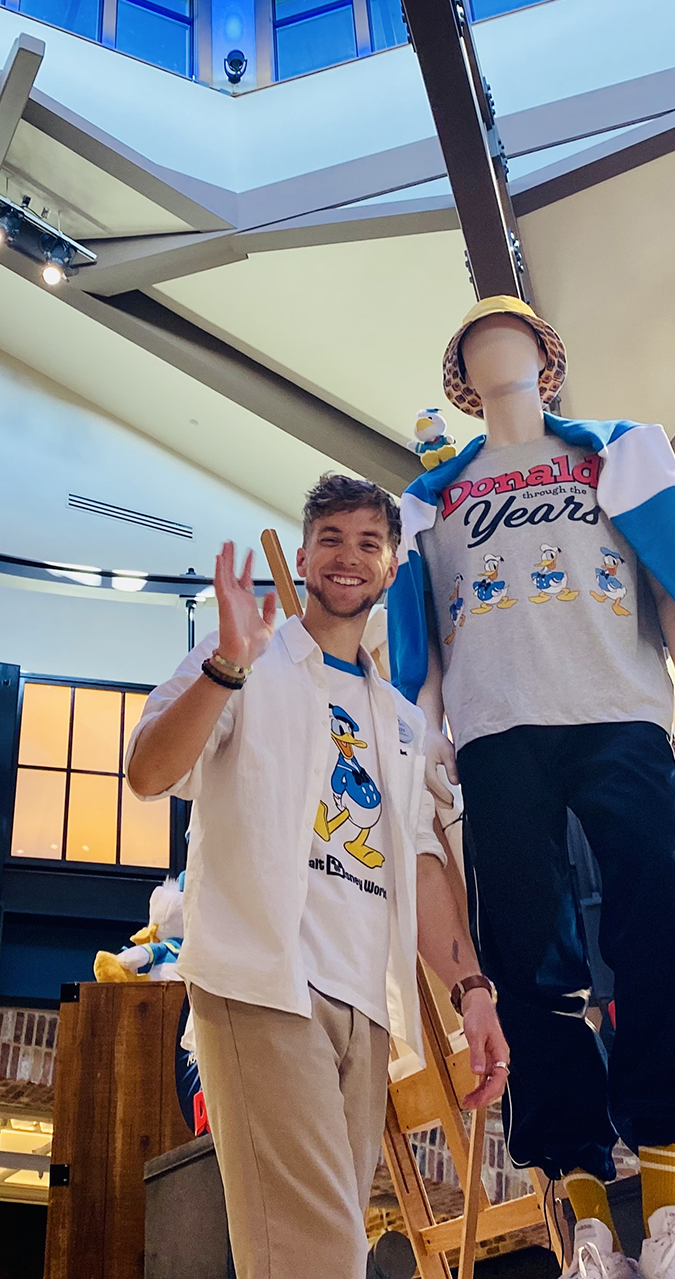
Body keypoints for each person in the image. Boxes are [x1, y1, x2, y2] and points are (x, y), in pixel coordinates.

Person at [385, 296, 675, 1279]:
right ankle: (588, 1219)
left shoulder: (619, 454)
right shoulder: (429, 503)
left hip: (619, 711)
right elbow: (422, 633)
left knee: (660, 926)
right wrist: (426, 731)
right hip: (498, 734)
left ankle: (672, 1215)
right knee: (528, 966)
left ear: (547, 359)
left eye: (514, 338)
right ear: (460, 379)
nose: (496, 354)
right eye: (476, 347)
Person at [127, 474, 509, 1279]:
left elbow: (420, 863)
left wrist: (472, 990)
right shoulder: (245, 658)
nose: (348, 557)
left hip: (363, 1002)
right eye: (330, 539)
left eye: (369, 543)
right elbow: (149, 771)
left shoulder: (401, 721)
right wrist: (227, 665)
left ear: (391, 568)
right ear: (302, 558)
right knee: (321, 1253)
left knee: (308, 1247)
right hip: (263, 979)